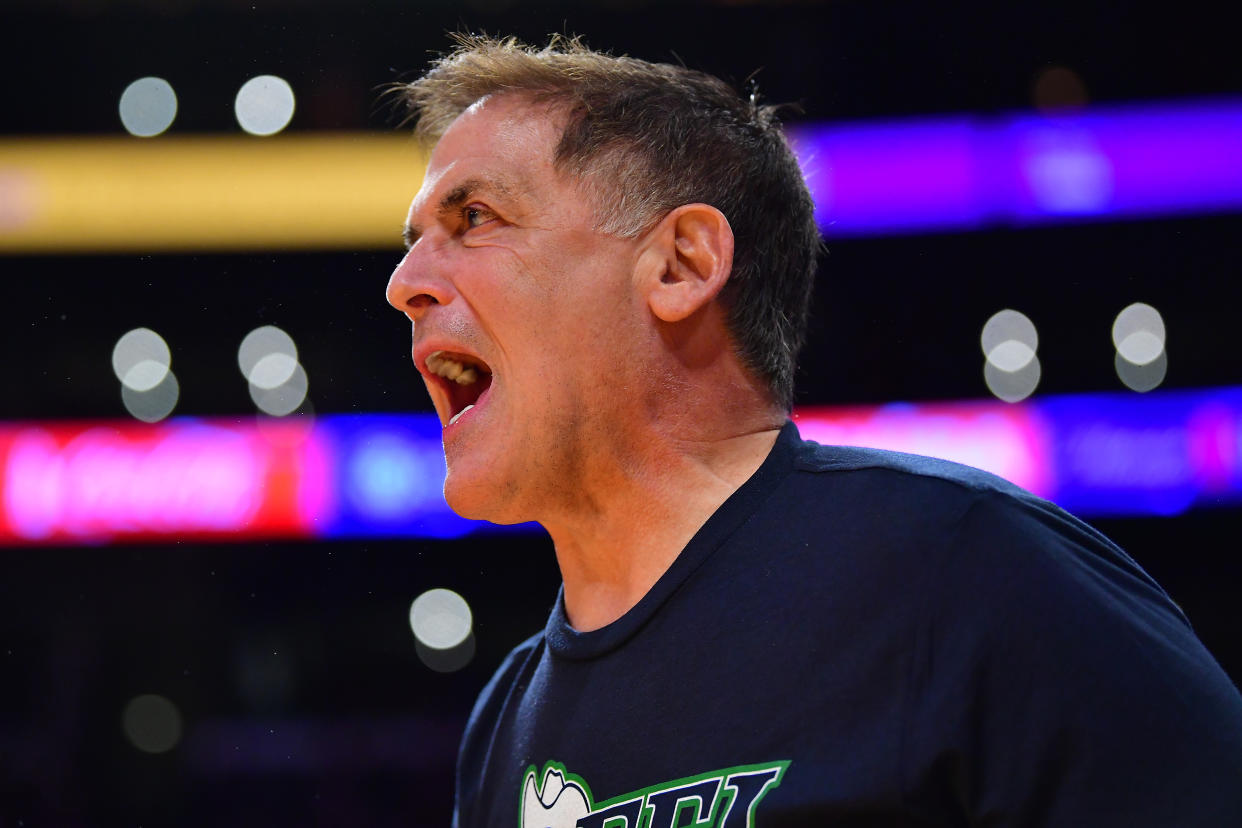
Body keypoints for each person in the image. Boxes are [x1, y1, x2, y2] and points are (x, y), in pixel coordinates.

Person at [385, 35, 1242, 827]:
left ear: (682, 264)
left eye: (476, 219)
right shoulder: (505, 724)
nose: (405, 282)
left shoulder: (967, 573)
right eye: (415, 239)